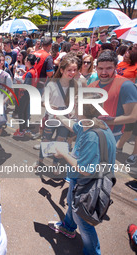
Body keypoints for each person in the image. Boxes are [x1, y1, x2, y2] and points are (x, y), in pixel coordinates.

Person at [48, 95, 116, 255]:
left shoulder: (92, 136)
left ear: (82, 109)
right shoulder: (93, 123)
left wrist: (64, 154)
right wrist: (58, 114)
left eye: (75, 104)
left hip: (88, 184)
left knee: (84, 222)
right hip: (80, 181)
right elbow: (74, 126)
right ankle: (68, 227)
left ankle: (92, 252)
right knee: (72, 202)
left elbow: (85, 169)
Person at [34, 55, 79, 169]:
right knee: (46, 140)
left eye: (74, 70)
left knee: (60, 142)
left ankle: (55, 164)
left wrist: (73, 111)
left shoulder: (75, 85)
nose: (72, 72)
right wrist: (48, 105)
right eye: (69, 70)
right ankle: (40, 161)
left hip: (65, 119)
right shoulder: (52, 84)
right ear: (62, 70)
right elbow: (43, 101)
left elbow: (76, 102)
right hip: (52, 117)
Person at [89, 50, 137, 142]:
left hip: (111, 135)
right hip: (90, 133)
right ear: (96, 68)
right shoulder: (92, 85)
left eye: (109, 68)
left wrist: (105, 122)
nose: (104, 72)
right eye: (100, 68)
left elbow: (133, 116)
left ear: (116, 67)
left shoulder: (126, 86)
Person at [13, 54, 38, 137]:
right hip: (30, 94)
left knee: (21, 112)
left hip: (24, 94)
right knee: (24, 112)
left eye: (26, 59)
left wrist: (19, 81)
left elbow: (25, 87)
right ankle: (23, 129)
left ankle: (21, 130)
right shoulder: (34, 70)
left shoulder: (29, 73)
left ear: (28, 62)